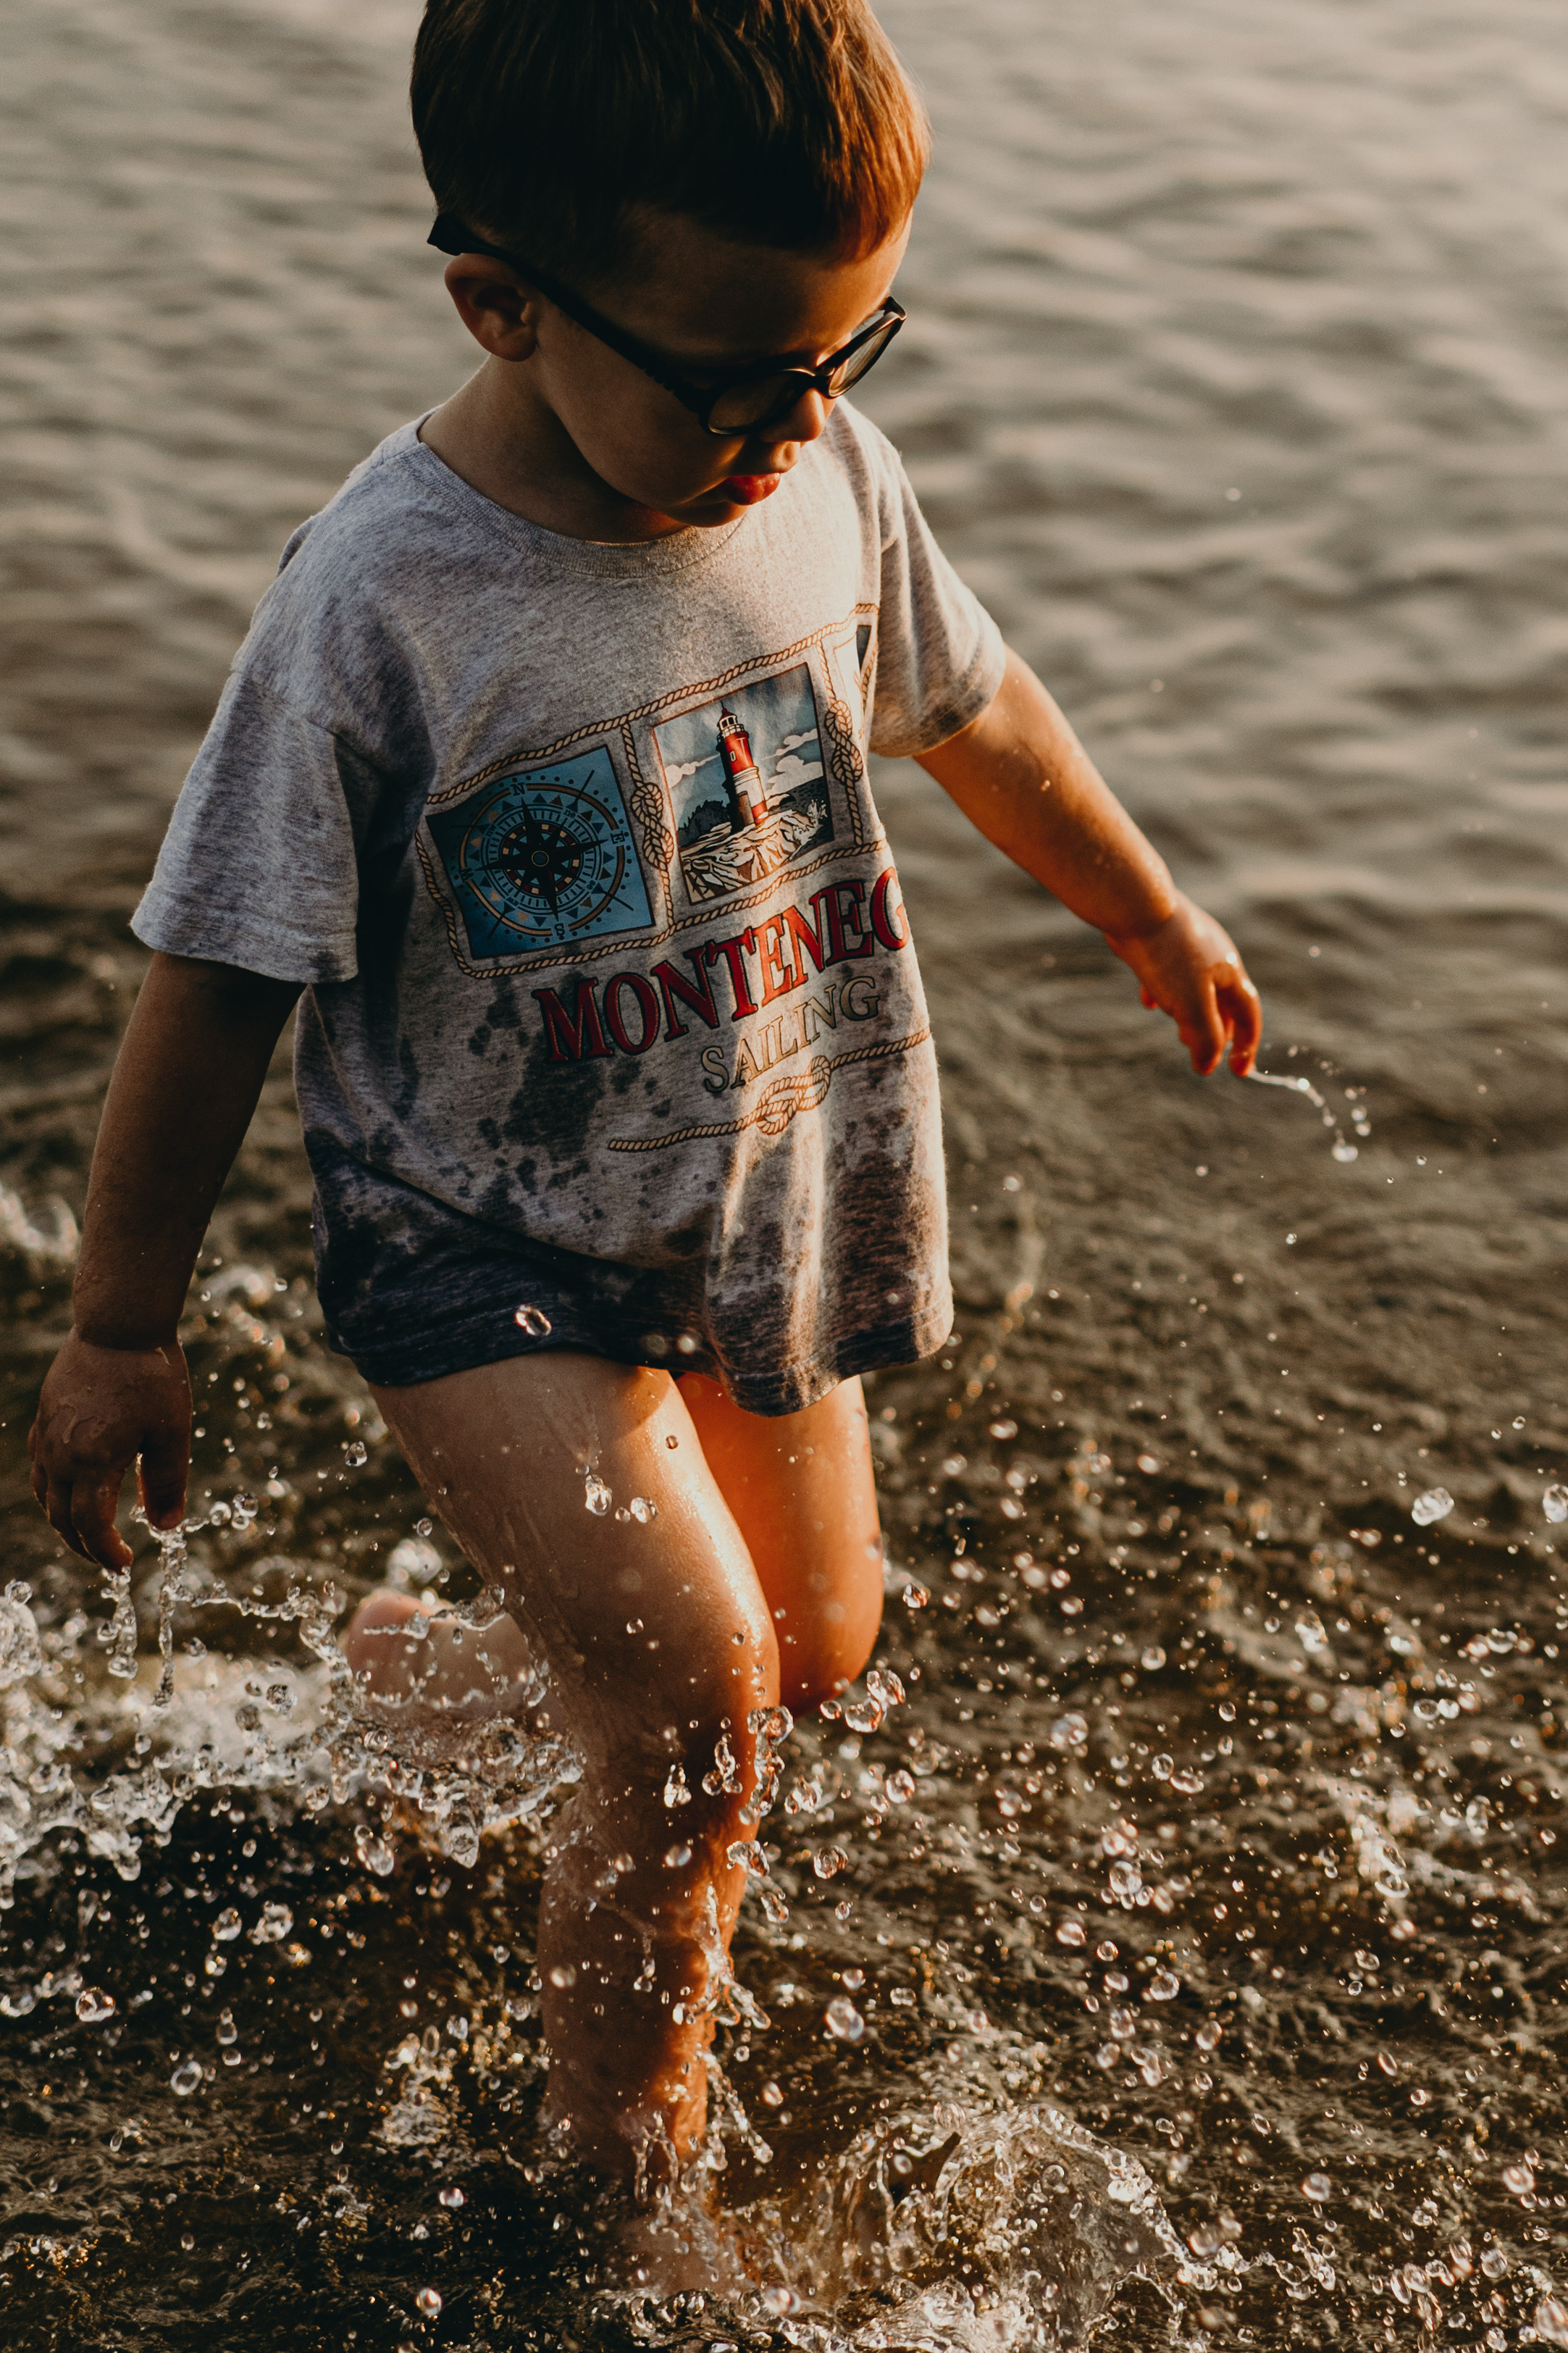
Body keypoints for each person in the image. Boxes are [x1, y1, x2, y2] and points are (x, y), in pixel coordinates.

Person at [27, 0, 1261, 2189]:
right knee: (697, 1733)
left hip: (762, 1193)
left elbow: (970, 707)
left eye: (847, 356)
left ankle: (438, 1688)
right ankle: (622, 2189)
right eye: (738, 376)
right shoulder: (385, 603)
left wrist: (1145, 913)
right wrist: (126, 1322)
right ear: (502, 299)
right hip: (474, 1239)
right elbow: (216, 973)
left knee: (810, 1655)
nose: (798, 423)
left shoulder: (812, 476)